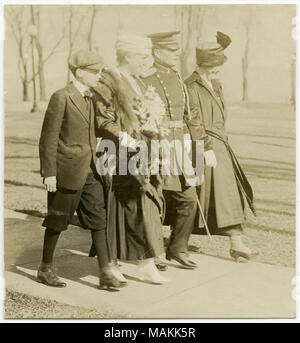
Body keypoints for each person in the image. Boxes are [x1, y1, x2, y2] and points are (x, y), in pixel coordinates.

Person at [37, 50, 124, 290]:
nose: (99, 76)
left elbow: (101, 126)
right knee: (57, 221)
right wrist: (49, 173)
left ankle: (106, 272)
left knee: (99, 219)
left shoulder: (93, 97)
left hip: (90, 170)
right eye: (95, 72)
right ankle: (45, 268)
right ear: (80, 72)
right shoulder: (61, 97)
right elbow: (48, 139)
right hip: (66, 171)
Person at [93, 33, 168, 284]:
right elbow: (103, 120)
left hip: (141, 153)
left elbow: (146, 115)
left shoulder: (136, 81)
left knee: (144, 205)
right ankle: (112, 262)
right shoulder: (108, 79)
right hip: (118, 153)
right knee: (117, 209)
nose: (146, 61)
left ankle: (145, 261)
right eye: (142, 56)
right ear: (128, 56)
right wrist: (128, 140)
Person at [185, 32, 258, 261]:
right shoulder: (191, 86)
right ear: (203, 65)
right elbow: (193, 120)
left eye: (219, 65)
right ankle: (180, 241)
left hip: (220, 145)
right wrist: (205, 147)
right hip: (205, 146)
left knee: (225, 195)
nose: (218, 69)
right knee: (200, 195)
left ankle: (236, 242)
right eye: (213, 65)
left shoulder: (215, 84)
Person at [141, 31, 206, 270]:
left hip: (180, 148)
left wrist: (201, 145)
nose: (177, 54)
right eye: (172, 50)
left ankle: (177, 248)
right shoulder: (145, 78)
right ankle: (155, 251)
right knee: (155, 200)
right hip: (157, 147)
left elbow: (189, 114)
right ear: (157, 52)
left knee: (188, 198)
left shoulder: (177, 77)